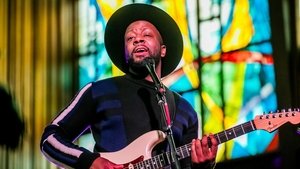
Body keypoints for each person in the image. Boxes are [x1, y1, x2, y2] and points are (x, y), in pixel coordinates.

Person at [40, 3, 218, 169]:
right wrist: (90, 161)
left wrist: (203, 165)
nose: (138, 39)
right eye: (130, 37)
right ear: (125, 53)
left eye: (147, 35)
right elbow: (50, 139)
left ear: (163, 49)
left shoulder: (185, 111)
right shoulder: (98, 91)